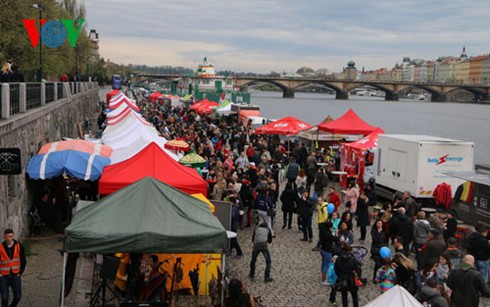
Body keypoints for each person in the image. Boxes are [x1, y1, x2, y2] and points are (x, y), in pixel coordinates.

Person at [0, 229, 27, 307]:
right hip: (3, 276)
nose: (9, 238)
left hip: (15, 275)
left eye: (10, 236)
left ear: (13, 236)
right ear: (4, 237)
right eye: (7, 236)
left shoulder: (18, 246)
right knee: (4, 298)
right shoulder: (1, 247)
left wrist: (20, 273)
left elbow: (23, 260)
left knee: (17, 296)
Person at [334, 243, 360, 307]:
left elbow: (336, 269)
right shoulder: (352, 258)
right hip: (351, 278)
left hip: (342, 278)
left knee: (344, 296)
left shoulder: (338, 259)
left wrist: (340, 275)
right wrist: (358, 276)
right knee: (354, 296)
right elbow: (357, 268)